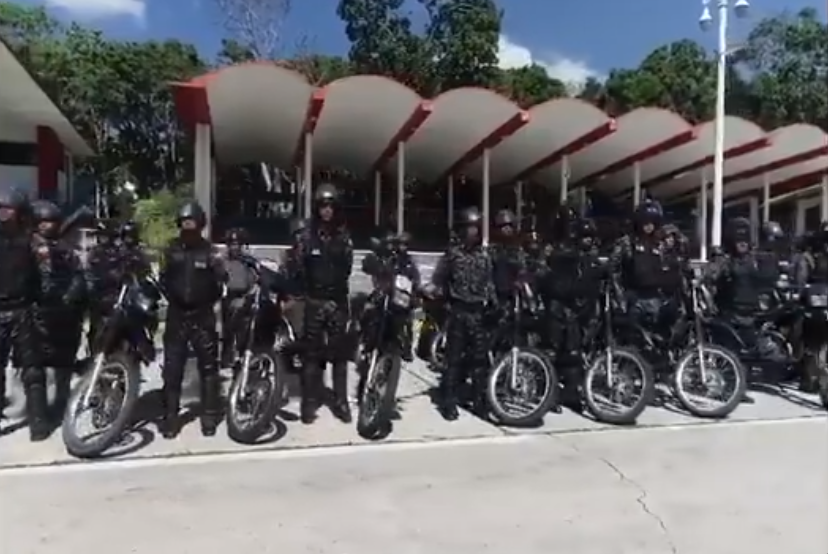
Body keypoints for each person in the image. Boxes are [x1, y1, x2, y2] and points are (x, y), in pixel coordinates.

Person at [158, 201, 226, 438]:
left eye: (192, 220)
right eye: (184, 221)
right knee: (172, 368)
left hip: (203, 315)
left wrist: (205, 300)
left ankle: (209, 416)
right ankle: (170, 418)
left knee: (209, 368)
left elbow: (220, 284)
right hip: (177, 315)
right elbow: (163, 280)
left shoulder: (211, 252)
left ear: (200, 223)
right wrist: (176, 298)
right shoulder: (171, 249)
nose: (188, 224)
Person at [290, 184, 354, 424]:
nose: (327, 211)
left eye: (331, 206)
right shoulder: (306, 237)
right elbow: (299, 269)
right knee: (311, 356)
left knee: (339, 356)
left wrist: (336, 299)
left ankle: (341, 402)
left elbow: (347, 269)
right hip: (314, 302)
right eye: (323, 206)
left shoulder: (344, 237)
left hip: (337, 303)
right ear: (317, 208)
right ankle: (309, 403)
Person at [430, 207, 495, 420]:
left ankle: (479, 400)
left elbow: (489, 283)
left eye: (476, 228)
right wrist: (438, 295)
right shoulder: (452, 254)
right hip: (458, 311)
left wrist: (494, 304)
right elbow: (439, 279)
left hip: (478, 312)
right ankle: (448, 401)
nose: (472, 232)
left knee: (479, 360)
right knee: (453, 359)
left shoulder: (484, 256)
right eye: (468, 228)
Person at [0, 186, 50, 441]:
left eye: (7, 210)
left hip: (23, 310)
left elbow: (45, 276)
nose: (3, 214)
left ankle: (39, 426)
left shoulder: (32, 241)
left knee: (32, 372)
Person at [30, 200, 86, 421]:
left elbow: (79, 276)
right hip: (38, 313)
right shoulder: (29, 247)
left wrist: (73, 296)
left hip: (65, 314)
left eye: (52, 221)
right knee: (36, 369)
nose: (48, 226)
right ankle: (38, 412)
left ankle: (61, 405)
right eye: (43, 222)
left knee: (64, 363)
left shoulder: (66, 249)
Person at [361, 231, 421, 361]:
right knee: (370, 311)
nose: (401, 247)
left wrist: (414, 293)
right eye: (399, 244)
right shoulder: (390, 260)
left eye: (405, 245)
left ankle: (407, 348)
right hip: (387, 293)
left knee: (407, 320)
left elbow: (415, 280)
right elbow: (379, 271)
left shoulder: (410, 263)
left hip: (401, 297)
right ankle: (367, 342)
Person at [85, 220, 126, 348]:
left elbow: (126, 272)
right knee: (96, 329)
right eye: (100, 236)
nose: (102, 238)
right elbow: (88, 273)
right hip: (97, 297)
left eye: (105, 236)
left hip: (116, 296)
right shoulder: (93, 253)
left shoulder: (119, 253)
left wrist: (118, 276)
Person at [220, 228, 257, 368]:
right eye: (231, 243)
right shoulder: (221, 261)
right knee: (226, 332)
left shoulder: (249, 262)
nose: (234, 246)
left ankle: (242, 358)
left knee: (244, 332)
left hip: (245, 300)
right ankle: (225, 359)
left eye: (237, 243)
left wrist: (248, 297)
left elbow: (256, 281)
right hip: (226, 299)